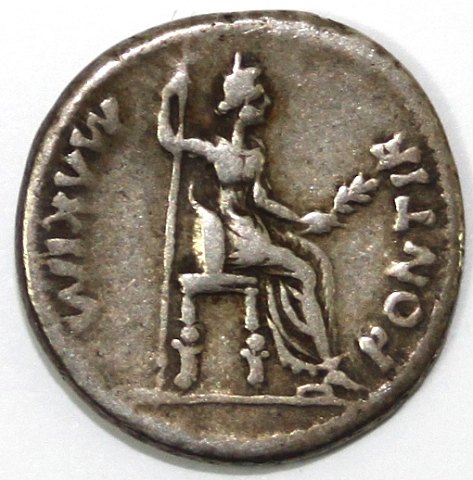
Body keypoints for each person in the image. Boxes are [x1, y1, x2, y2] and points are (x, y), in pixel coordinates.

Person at [158, 53, 341, 368]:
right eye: (258, 100)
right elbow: (169, 140)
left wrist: (302, 222)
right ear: (240, 107)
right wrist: (170, 96)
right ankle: (324, 360)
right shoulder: (214, 151)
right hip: (227, 238)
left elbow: (262, 200)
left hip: (254, 232)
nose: (266, 104)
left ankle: (320, 358)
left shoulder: (256, 153)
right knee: (303, 272)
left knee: (308, 269)